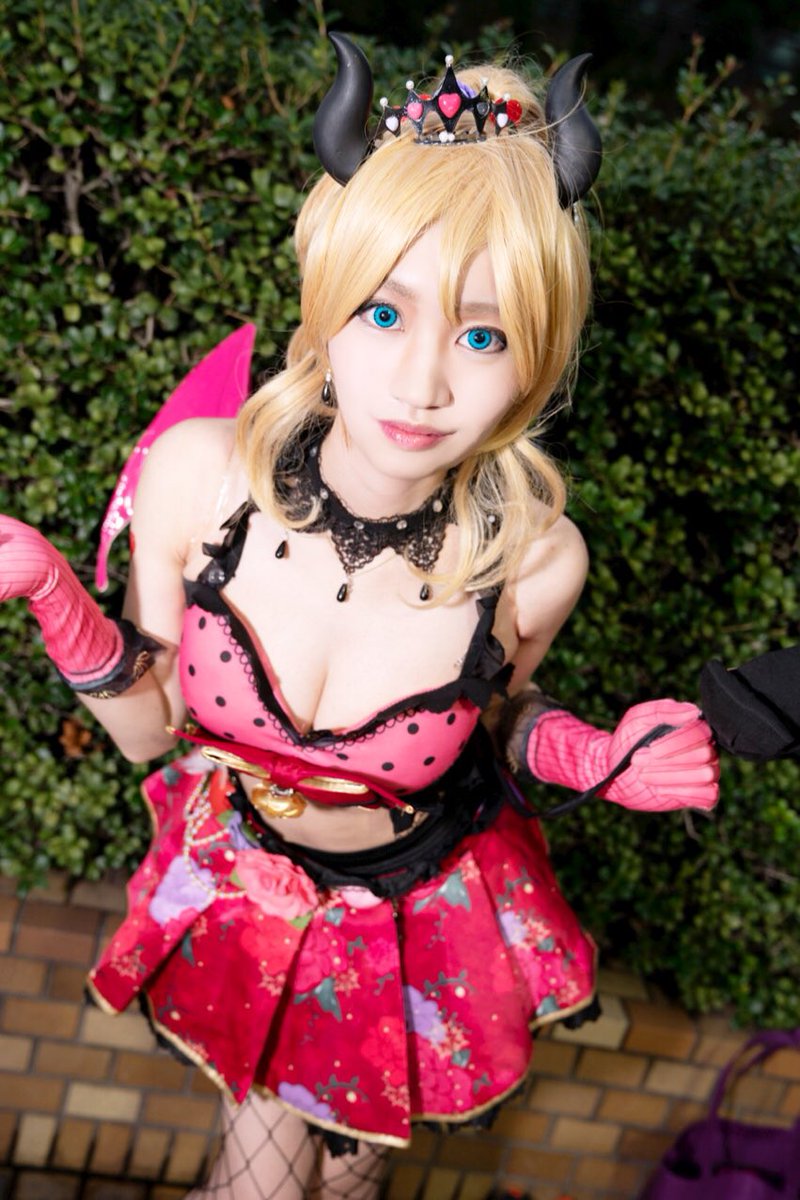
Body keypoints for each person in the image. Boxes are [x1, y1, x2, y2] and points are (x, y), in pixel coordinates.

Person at [0, 34, 719, 1200]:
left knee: (343, 1184)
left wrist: (591, 756)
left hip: (419, 919)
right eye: (383, 312)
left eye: (481, 335)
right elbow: (149, 733)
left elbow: (491, 725)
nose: (423, 383)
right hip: (250, 889)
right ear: (326, 300)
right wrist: (52, 593)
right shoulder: (197, 478)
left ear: (535, 359)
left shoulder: (534, 561)